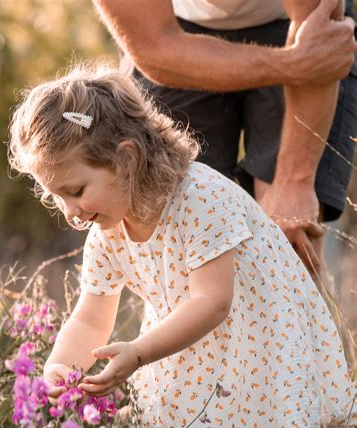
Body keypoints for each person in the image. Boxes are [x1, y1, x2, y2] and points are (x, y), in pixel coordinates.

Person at [8, 63, 355, 428]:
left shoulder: (200, 199)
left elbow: (214, 302)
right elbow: (91, 315)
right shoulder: (108, 230)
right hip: (186, 341)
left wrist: (140, 354)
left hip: (258, 338)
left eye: (74, 190)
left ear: (123, 158)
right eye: (55, 198)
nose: (70, 211)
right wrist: (56, 377)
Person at [93, 0, 357, 274]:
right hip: (170, 35)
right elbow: (155, 46)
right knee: (176, 247)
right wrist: (293, 63)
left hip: (296, 26)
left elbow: (320, 46)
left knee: (290, 246)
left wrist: (295, 183)